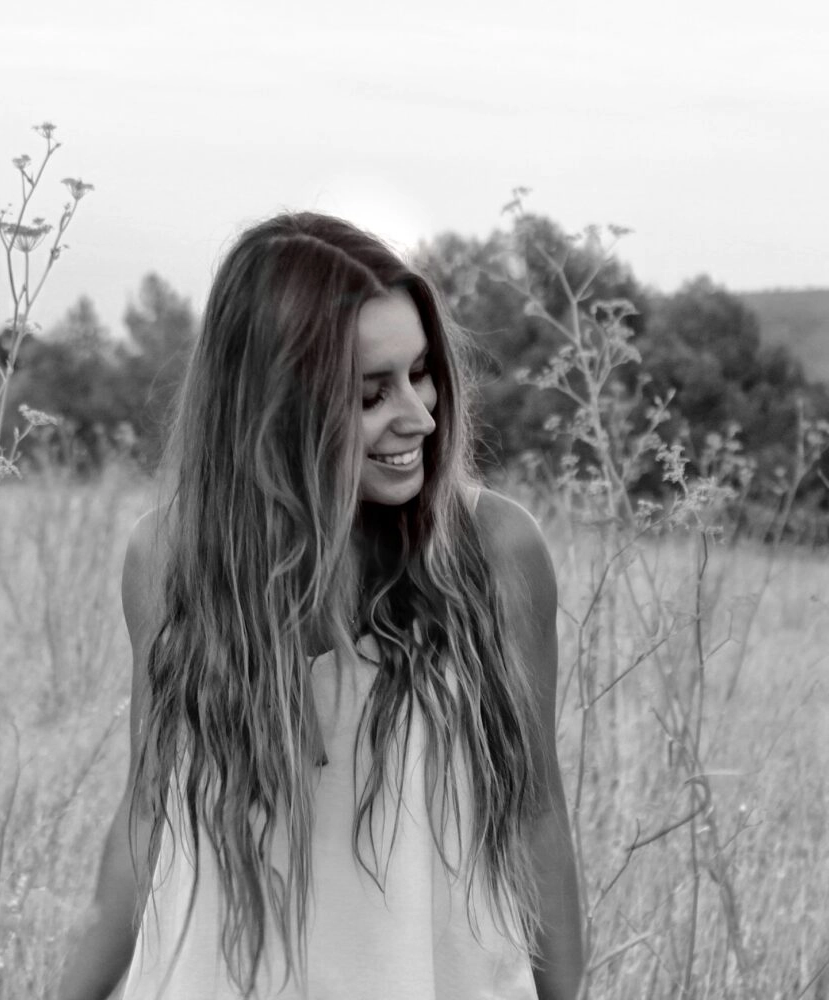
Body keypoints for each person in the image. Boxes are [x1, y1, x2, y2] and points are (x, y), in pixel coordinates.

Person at [56, 212, 583, 1000]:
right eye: (372, 394)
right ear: (277, 404)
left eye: (421, 372)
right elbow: (147, 812)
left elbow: (536, 816)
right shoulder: (172, 558)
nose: (420, 415)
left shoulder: (493, 551)